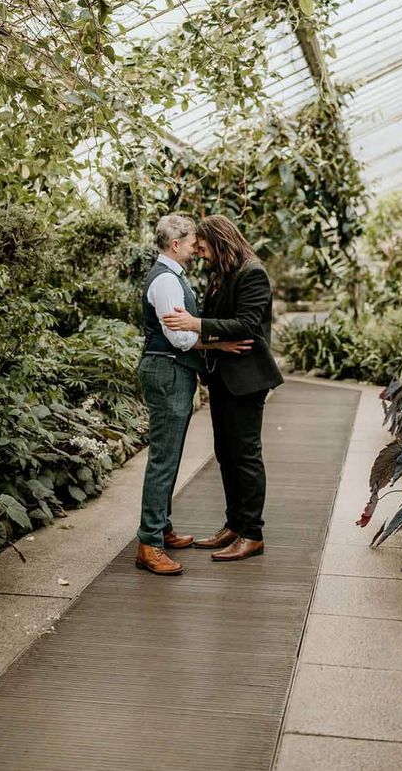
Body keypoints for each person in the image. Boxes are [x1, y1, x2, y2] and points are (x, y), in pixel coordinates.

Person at [136, 213, 252, 576]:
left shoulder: (170, 277)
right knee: (164, 459)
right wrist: (219, 343)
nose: (195, 249)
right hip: (168, 369)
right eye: (191, 244)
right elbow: (180, 337)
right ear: (175, 245)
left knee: (168, 455)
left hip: (171, 369)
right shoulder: (168, 281)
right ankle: (149, 543)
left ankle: (161, 527)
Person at [163, 215, 283, 562]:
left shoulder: (252, 273)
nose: (200, 255)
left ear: (220, 240)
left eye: (203, 248)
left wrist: (196, 324)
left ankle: (252, 534)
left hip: (246, 381)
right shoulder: (224, 273)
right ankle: (233, 524)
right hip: (222, 378)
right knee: (226, 454)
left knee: (245, 456)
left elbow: (247, 324)